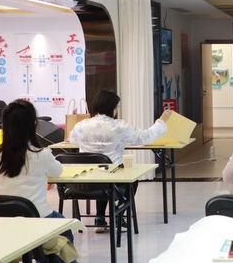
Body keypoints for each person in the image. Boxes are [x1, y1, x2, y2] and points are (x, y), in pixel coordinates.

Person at [0, 99, 81, 263]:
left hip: (4, 221)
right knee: (62, 225)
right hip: (37, 219)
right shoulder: (41, 154)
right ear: (34, 124)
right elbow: (58, 171)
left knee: (49, 227)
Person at [69, 89, 172, 232]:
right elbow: (144, 137)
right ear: (112, 108)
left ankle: (99, 219)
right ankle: (117, 215)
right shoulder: (120, 126)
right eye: (117, 107)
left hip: (83, 182)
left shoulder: (81, 125)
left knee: (101, 172)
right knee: (130, 178)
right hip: (111, 180)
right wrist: (161, 121)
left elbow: (73, 141)